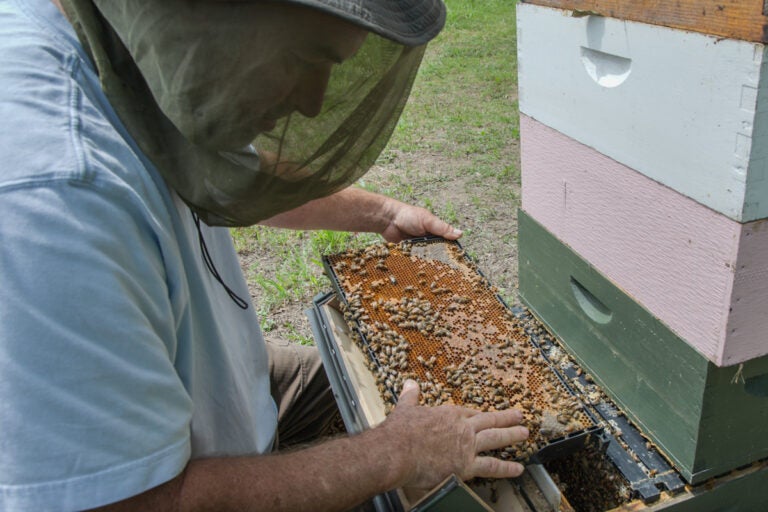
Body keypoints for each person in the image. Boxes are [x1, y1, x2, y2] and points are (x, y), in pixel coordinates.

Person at [0, 0, 530, 510]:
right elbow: (134, 502)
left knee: (407, 380)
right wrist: (396, 454)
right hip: (178, 476)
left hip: (225, 393)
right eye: (304, 59)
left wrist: (382, 214)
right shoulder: (55, 193)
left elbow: (225, 179)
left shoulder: (135, 55)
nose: (314, 101)